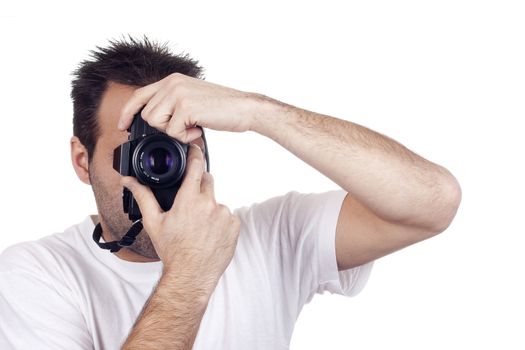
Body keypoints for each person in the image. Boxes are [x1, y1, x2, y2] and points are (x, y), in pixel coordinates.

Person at [0, 35, 462, 350]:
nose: (158, 169)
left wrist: (259, 111)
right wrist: (190, 273)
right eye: (135, 153)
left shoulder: (269, 236)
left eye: (175, 147)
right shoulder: (36, 274)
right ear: (82, 161)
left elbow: (432, 201)